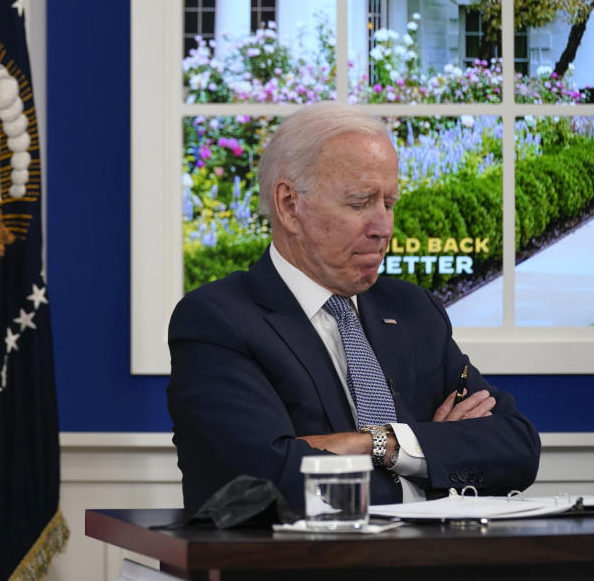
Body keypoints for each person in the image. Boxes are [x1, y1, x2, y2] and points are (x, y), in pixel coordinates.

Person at [167, 103, 541, 513]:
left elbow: (516, 447)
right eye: (361, 203)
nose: (384, 228)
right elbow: (268, 481)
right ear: (290, 205)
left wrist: (380, 443)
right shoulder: (218, 321)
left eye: (389, 203)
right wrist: (433, 454)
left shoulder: (414, 310)